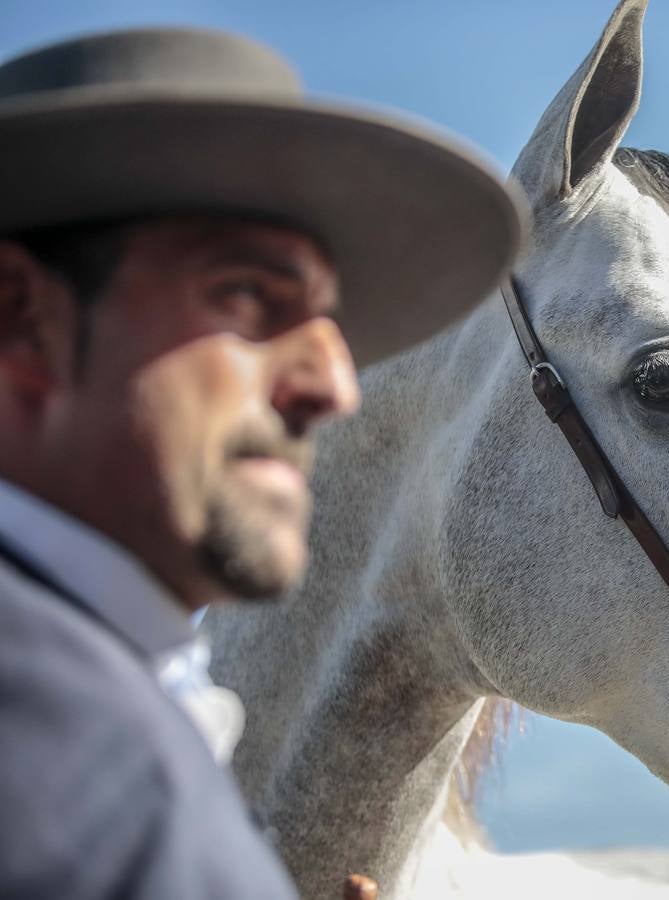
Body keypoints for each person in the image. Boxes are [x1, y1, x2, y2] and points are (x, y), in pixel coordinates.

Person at [0, 27, 525, 899]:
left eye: (332, 330)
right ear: (22, 318)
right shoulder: (55, 739)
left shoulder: (107, 705)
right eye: (246, 298)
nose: (333, 386)